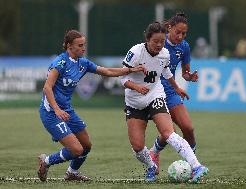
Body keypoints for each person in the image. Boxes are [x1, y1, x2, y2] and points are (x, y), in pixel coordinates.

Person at [37, 29, 145, 182]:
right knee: (76, 150)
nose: (83, 48)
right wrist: (56, 109)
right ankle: (46, 162)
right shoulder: (60, 63)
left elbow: (106, 70)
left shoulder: (83, 63)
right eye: (80, 45)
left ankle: (71, 173)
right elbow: (47, 88)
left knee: (86, 146)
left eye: (84, 44)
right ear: (69, 46)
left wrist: (130, 70)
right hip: (51, 112)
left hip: (67, 110)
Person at [120, 21, 208, 182]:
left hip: (155, 95)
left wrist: (176, 87)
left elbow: (166, 71)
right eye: (155, 41)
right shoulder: (135, 52)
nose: (159, 45)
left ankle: (197, 167)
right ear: (147, 38)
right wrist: (136, 87)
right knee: (138, 147)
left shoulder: (165, 53)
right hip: (135, 102)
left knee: (168, 133)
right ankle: (151, 166)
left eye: (162, 41)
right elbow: (122, 77)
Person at [149, 13, 200, 175]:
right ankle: (154, 153)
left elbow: (185, 72)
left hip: (171, 91)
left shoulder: (184, 46)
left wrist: (189, 76)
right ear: (169, 28)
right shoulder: (159, 43)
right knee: (170, 133)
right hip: (155, 91)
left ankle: (191, 165)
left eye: (184, 33)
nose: (180, 36)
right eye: (178, 32)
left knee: (188, 128)